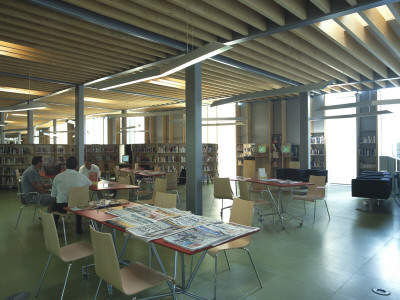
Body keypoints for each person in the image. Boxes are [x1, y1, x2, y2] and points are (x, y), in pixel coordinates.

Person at [51, 156, 92, 234]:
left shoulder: (58, 177)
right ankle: (78, 227)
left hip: (62, 207)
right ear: (76, 166)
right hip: (77, 207)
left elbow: (53, 195)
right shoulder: (81, 176)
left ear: (66, 165)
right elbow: (89, 183)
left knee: (55, 204)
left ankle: (54, 227)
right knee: (78, 202)